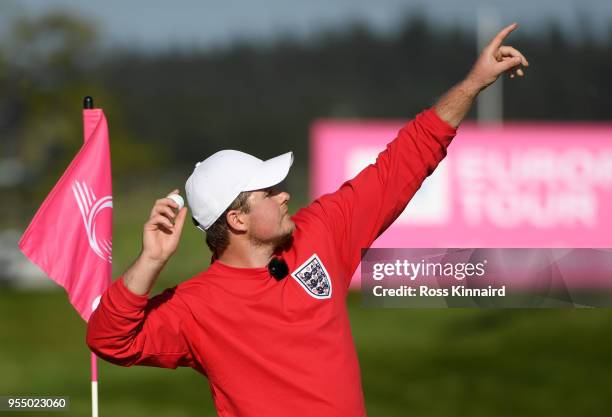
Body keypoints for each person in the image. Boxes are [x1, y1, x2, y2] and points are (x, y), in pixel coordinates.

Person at [87, 23, 528, 417]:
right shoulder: (194, 307)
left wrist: (472, 84)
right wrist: (150, 261)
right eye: (267, 191)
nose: (284, 195)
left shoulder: (320, 230)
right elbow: (109, 340)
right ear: (236, 220)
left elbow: (404, 161)